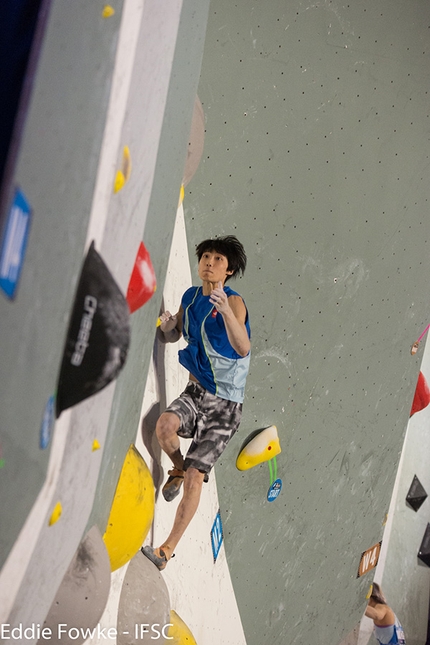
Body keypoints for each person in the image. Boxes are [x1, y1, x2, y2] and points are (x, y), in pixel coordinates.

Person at [142, 235, 251, 570]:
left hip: (225, 407)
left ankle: (165, 550)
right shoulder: (191, 297)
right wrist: (169, 324)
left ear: (229, 270)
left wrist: (227, 314)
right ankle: (176, 464)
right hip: (195, 393)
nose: (209, 262)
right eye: (206, 256)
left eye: (218, 259)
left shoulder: (234, 303)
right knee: (164, 428)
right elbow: (175, 333)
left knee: (195, 476)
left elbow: (243, 348)